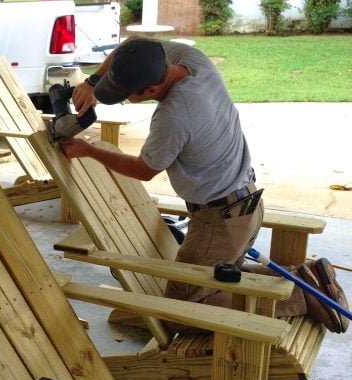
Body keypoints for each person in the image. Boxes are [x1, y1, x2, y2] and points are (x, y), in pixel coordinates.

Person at [62, 37, 349, 334]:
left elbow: (145, 169)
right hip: (246, 205)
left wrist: (89, 150)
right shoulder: (194, 62)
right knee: (224, 276)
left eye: (126, 95)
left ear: (151, 90)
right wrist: (92, 81)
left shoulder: (173, 116)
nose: (123, 98)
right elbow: (133, 44)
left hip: (218, 223)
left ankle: (303, 295)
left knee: (181, 313)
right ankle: (305, 276)